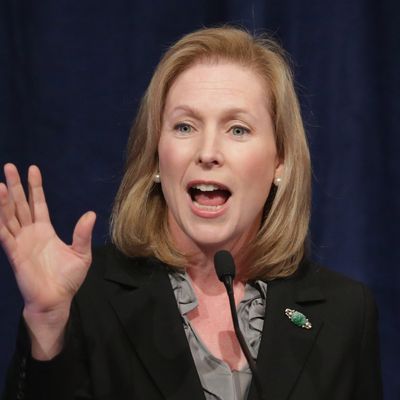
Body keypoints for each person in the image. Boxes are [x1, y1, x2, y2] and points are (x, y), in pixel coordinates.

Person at [1, 26, 382, 400]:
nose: (208, 151)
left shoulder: (345, 313)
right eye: (185, 126)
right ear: (155, 156)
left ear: (280, 161)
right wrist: (48, 323)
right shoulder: (86, 295)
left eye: (237, 129)